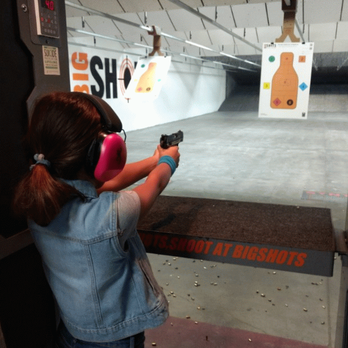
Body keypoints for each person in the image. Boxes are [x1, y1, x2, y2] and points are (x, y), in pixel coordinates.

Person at [13, 91, 180, 348]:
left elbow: (108, 183)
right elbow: (155, 185)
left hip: (72, 331)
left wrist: (154, 160)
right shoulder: (114, 215)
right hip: (115, 339)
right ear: (98, 154)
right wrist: (169, 160)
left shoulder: (38, 202)